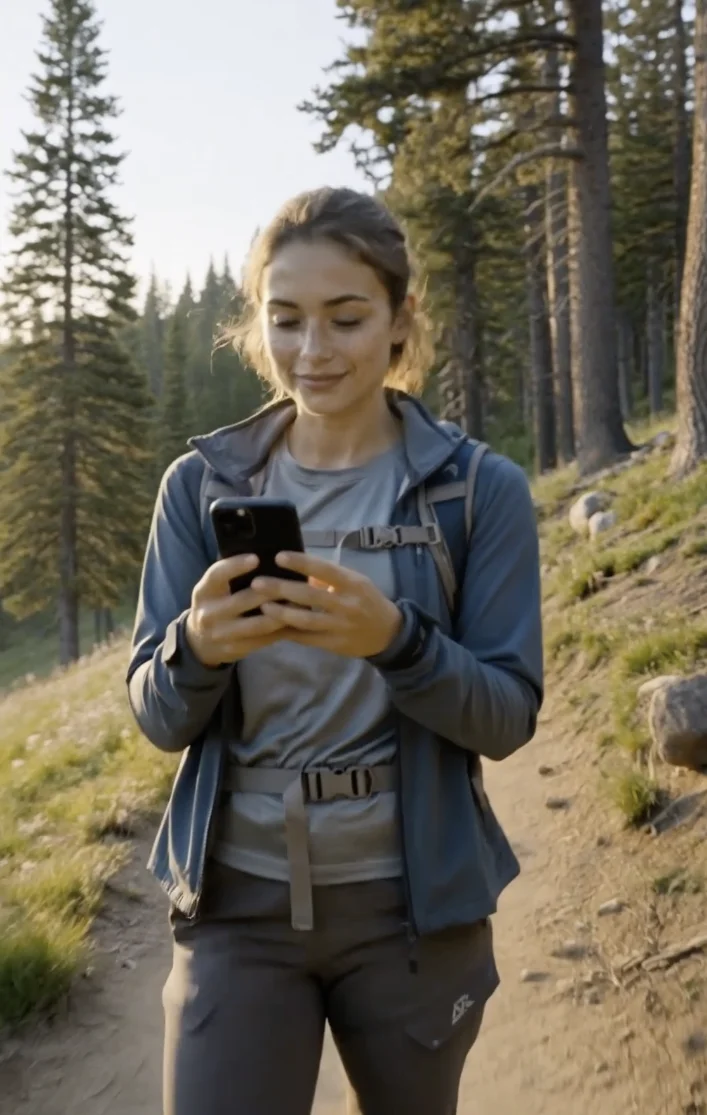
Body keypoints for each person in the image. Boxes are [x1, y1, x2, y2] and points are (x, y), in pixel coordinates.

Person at [127, 186, 543, 1115]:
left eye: (345, 318)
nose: (311, 353)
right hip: (237, 903)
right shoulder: (199, 489)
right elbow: (157, 715)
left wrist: (395, 642)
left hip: (412, 912)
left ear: (400, 319)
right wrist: (194, 646)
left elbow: (508, 714)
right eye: (286, 320)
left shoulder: (478, 492)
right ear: (256, 324)